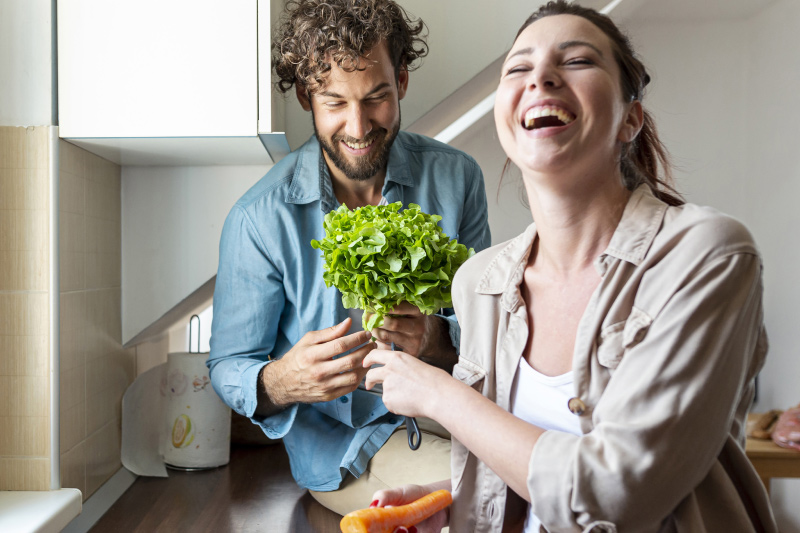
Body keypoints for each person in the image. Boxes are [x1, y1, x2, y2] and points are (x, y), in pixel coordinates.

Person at [363, 1, 778, 531]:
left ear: (631, 118)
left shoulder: (706, 256)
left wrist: (439, 395)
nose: (540, 78)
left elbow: (615, 493)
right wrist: (448, 497)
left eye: (577, 61)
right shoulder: (480, 283)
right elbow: (531, 459)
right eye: (518, 67)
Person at [206, 0, 491, 517]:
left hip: (454, 412)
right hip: (348, 450)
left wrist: (435, 338)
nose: (358, 126)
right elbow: (229, 365)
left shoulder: (457, 179)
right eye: (334, 102)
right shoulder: (258, 218)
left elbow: (490, 331)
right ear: (304, 95)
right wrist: (282, 380)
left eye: (377, 97)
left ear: (401, 81)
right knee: (492, 497)